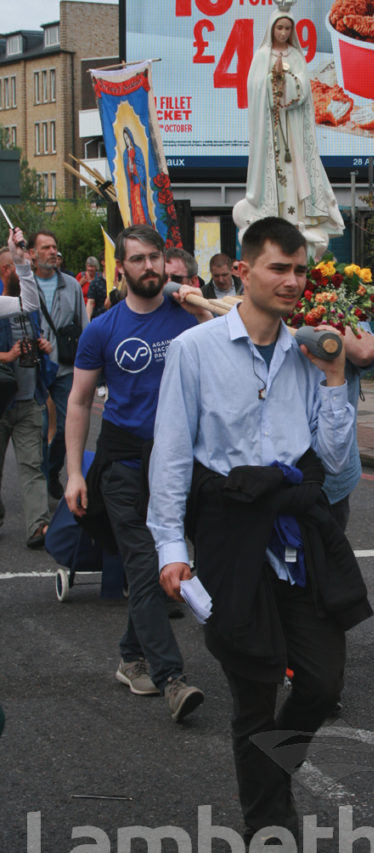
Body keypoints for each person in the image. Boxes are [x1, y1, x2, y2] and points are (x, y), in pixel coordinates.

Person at [148, 217, 371, 853]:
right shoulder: (194, 349)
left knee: (323, 684)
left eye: (301, 270)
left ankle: (268, 775)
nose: (294, 282)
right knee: (252, 691)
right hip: (229, 527)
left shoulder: (312, 350)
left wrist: (335, 380)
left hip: (298, 525)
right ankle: (270, 835)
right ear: (243, 272)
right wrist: (168, 547)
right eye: (281, 268)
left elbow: (337, 472)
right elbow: (172, 452)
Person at [64, 225, 208, 723]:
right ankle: (172, 678)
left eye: (155, 258)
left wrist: (202, 307)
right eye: (138, 260)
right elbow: (80, 401)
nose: (149, 267)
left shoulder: (187, 319)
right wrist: (74, 474)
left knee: (182, 560)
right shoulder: (102, 328)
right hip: (123, 463)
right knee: (146, 566)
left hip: (180, 463)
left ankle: (131, 656)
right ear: (120, 268)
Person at [233, 0, 344, 260]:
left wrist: (289, 81)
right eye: (279, 28)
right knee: (274, 174)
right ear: (271, 29)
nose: (283, 33)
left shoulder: (296, 55)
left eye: (287, 28)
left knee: (296, 172)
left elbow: (304, 88)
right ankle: (274, 215)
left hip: (292, 127)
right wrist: (272, 82)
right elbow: (255, 88)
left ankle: (298, 218)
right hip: (271, 128)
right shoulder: (262, 56)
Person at [0, 229, 53, 547]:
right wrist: (6, 355)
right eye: (14, 267)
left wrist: (23, 263)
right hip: (0, 401)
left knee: (33, 465)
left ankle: (38, 526)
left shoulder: (13, 302)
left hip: (29, 397)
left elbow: (29, 303)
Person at [29, 229, 87, 500]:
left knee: (65, 427)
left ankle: (51, 471)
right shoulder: (23, 284)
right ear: (31, 254)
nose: (53, 252)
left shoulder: (71, 285)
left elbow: (83, 326)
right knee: (38, 430)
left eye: (54, 247)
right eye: (45, 248)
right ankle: (39, 485)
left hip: (64, 366)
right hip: (34, 368)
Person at [323, 324, 374, 530]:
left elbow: (364, 352)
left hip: (331, 479)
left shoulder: (341, 310)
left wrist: (325, 314)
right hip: (277, 471)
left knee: (329, 557)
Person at [122, 127, 150, 226]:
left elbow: (141, 166)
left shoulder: (137, 150)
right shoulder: (125, 153)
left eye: (128, 138)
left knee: (139, 203)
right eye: (125, 139)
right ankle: (136, 223)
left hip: (138, 183)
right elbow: (126, 169)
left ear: (131, 138)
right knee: (133, 204)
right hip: (132, 184)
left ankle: (143, 222)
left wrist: (134, 167)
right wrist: (128, 168)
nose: (127, 141)